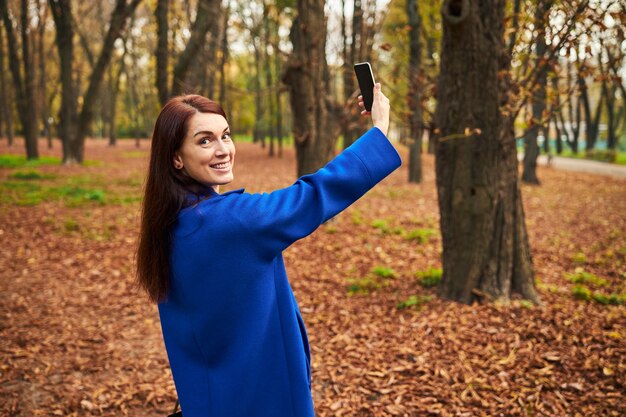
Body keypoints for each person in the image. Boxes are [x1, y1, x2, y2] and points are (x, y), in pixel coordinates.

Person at [136, 83, 401, 417]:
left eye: (226, 135)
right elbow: (311, 196)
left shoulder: (172, 222)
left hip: (210, 396)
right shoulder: (228, 223)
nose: (223, 149)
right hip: (261, 398)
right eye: (205, 140)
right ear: (176, 157)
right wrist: (379, 131)